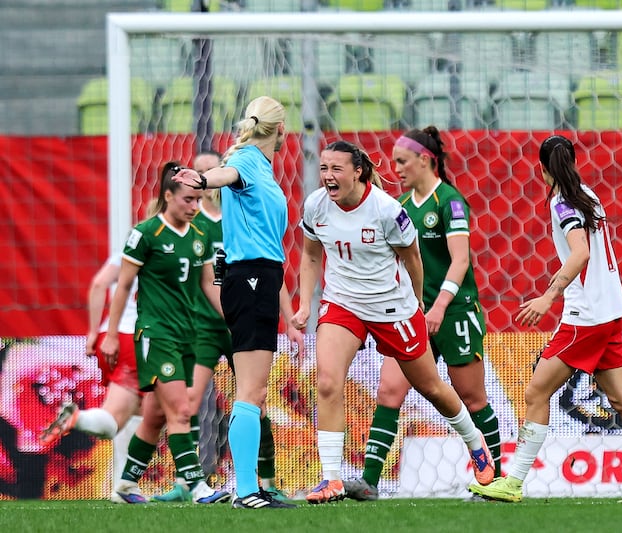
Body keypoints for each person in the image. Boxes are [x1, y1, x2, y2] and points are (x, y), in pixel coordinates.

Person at [289, 140, 495, 505]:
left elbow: (413, 258)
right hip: (343, 304)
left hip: (392, 309)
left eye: (336, 169)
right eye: (323, 168)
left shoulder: (386, 210)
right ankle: (332, 478)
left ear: (358, 172)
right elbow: (309, 255)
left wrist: (415, 302)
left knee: (431, 387)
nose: (327, 177)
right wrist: (305, 303)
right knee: (326, 382)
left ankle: (475, 443)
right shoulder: (315, 205)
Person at [469, 135, 622, 504]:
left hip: (586, 316)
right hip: (610, 310)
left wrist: (549, 297)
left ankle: (512, 482)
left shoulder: (563, 203)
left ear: (542, 170)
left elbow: (580, 253)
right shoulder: (588, 195)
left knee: (535, 392)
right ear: (575, 162)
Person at [343, 127, 501, 500]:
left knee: (472, 398)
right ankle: (369, 482)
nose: (396, 168)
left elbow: (460, 260)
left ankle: (494, 480)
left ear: (425, 160)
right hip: (410, 314)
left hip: (454, 313)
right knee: (389, 391)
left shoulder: (450, 201)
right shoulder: (399, 207)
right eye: (394, 161)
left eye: (402, 161)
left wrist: (440, 307)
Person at [173, 96, 299, 510]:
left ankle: (252, 488)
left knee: (255, 391)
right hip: (249, 279)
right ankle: (247, 491)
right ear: (281, 129)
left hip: (260, 278)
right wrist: (204, 179)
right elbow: (225, 174)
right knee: (251, 390)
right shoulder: (245, 160)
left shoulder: (259, 166)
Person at [100, 162, 229, 505]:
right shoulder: (145, 233)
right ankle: (197, 486)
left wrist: (232, 318)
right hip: (156, 334)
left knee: (156, 415)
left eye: (198, 200)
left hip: (187, 333)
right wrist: (111, 335)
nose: (193, 207)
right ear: (168, 196)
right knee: (182, 411)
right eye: (188, 199)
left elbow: (207, 285)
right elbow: (124, 285)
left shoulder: (199, 236)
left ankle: (126, 485)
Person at [38, 252, 144, 503]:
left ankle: (123, 484)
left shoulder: (130, 247)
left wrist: (94, 332)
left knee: (139, 411)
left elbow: (99, 284)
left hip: (109, 334)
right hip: (137, 337)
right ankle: (79, 418)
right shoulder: (164, 245)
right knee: (157, 411)